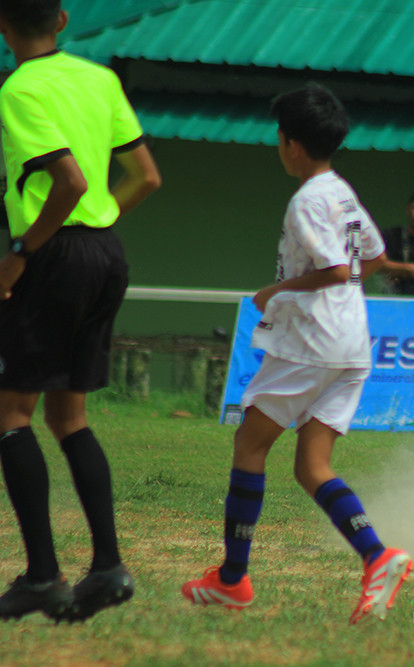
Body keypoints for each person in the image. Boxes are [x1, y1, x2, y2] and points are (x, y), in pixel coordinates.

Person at [181, 83, 412, 624]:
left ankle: (233, 579)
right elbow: (372, 258)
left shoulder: (307, 198)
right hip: (352, 341)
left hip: (312, 342)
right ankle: (378, 557)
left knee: (250, 442)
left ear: (291, 144)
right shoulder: (341, 189)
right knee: (312, 467)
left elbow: (334, 268)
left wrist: (276, 292)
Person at [0, 0, 161, 622]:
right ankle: (107, 567)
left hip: (52, 254)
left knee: (11, 412)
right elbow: (145, 176)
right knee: (70, 417)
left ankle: (43, 576)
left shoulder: (19, 89)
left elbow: (64, 184)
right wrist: (101, 227)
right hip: (104, 252)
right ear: (63, 19)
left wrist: (21, 252)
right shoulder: (101, 78)